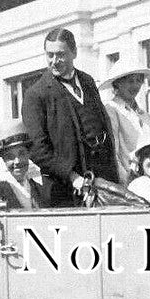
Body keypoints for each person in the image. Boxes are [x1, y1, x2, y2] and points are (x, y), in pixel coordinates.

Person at [22, 27, 120, 207]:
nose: (54, 61)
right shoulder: (35, 95)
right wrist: (72, 176)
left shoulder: (88, 81)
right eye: (49, 55)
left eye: (60, 54)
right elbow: (37, 149)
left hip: (105, 184)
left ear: (74, 53)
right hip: (66, 192)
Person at [99, 59, 150, 182]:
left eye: (139, 80)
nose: (135, 86)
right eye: (130, 81)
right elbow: (113, 152)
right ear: (118, 83)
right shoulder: (111, 109)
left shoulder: (144, 115)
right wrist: (125, 182)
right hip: (128, 179)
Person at [0, 121, 49, 210]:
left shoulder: (40, 189)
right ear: (4, 160)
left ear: (28, 154)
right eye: (10, 157)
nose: (17, 161)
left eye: (21, 154)